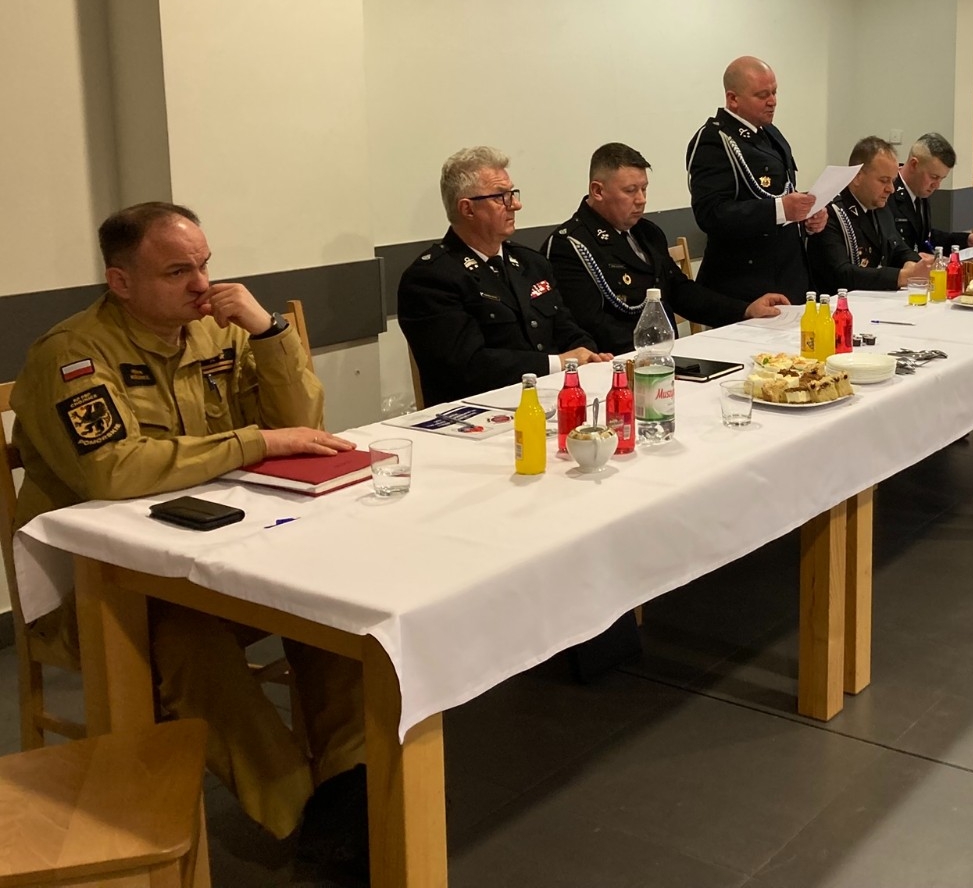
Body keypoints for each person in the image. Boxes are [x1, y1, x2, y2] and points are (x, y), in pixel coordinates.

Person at [9, 202, 368, 868]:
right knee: (185, 640)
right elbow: (112, 469)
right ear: (120, 282)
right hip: (103, 591)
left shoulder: (216, 331)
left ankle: (352, 792)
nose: (202, 284)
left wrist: (267, 332)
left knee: (329, 606)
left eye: (204, 264)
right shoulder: (73, 354)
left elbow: (301, 425)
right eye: (177, 272)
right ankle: (302, 816)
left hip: (212, 552)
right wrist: (253, 442)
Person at [398, 147, 609, 406]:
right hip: (479, 413)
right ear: (468, 209)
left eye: (513, 194)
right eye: (502, 197)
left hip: (550, 399)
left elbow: (567, 330)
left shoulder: (530, 263)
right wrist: (559, 363)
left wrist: (588, 355)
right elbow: (467, 367)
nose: (516, 205)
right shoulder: (431, 279)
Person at [546, 143, 789, 353]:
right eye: (630, 191)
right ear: (598, 191)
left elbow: (680, 291)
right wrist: (660, 350)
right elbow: (590, 324)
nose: (641, 199)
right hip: (619, 362)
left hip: (664, 354)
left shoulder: (647, 232)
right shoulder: (570, 246)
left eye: (644, 188)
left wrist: (745, 309)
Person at [686, 56, 825, 303]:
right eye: (762, 95)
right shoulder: (714, 140)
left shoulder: (770, 134)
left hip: (788, 276)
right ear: (733, 99)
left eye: (774, 92)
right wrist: (781, 209)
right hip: (743, 285)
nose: (772, 101)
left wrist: (807, 212)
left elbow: (781, 192)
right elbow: (710, 213)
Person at [809, 136, 934, 293]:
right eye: (884, 180)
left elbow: (897, 248)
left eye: (892, 181)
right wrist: (902, 276)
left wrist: (913, 263)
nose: (891, 189)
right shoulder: (831, 212)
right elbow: (841, 274)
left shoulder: (879, 206)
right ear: (857, 177)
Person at [889, 132, 973, 255]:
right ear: (914, 164)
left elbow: (925, 237)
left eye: (941, 178)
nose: (937, 185)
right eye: (934, 177)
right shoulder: (887, 193)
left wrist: (966, 240)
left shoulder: (920, 191)